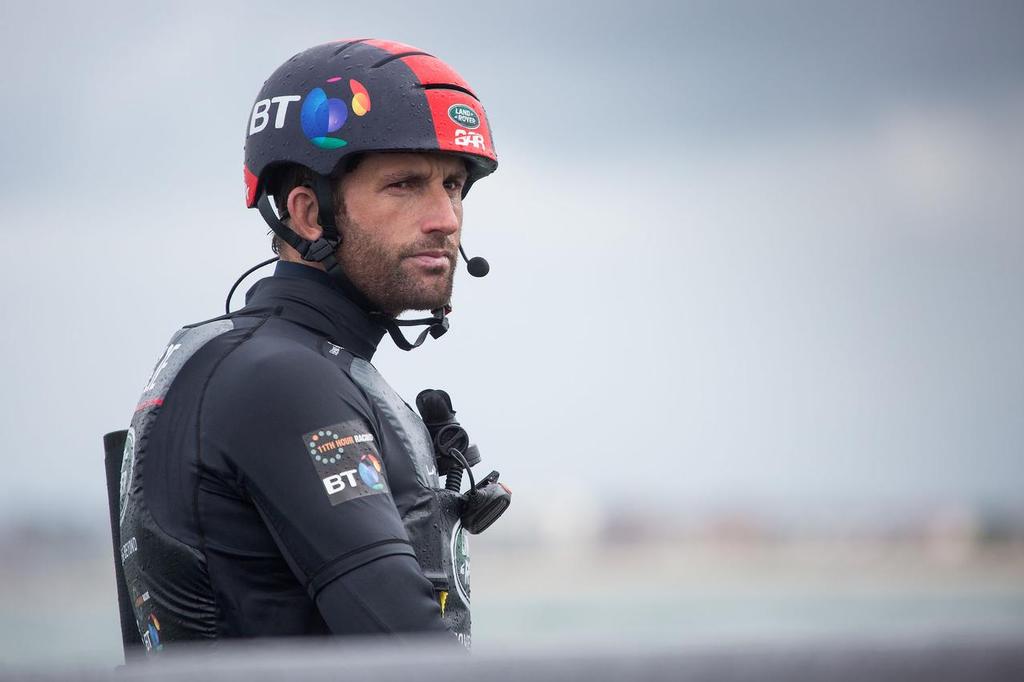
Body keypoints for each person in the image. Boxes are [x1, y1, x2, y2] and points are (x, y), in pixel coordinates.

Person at [114, 38, 505, 654]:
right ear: (307, 214)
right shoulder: (282, 379)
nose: (445, 218)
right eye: (405, 184)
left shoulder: (270, 362)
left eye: (453, 186)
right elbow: (409, 651)